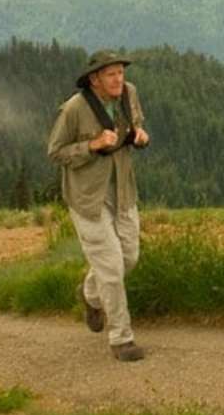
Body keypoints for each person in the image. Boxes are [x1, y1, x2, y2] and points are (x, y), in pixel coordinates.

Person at [47, 49, 152, 362]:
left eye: (121, 72)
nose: (119, 79)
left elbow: (135, 125)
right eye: (111, 74)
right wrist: (92, 145)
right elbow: (55, 152)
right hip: (88, 198)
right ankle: (122, 338)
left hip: (122, 191)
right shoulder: (74, 109)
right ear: (94, 79)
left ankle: (90, 295)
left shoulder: (129, 94)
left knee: (129, 257)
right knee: (110, 267)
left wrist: (140, 137)